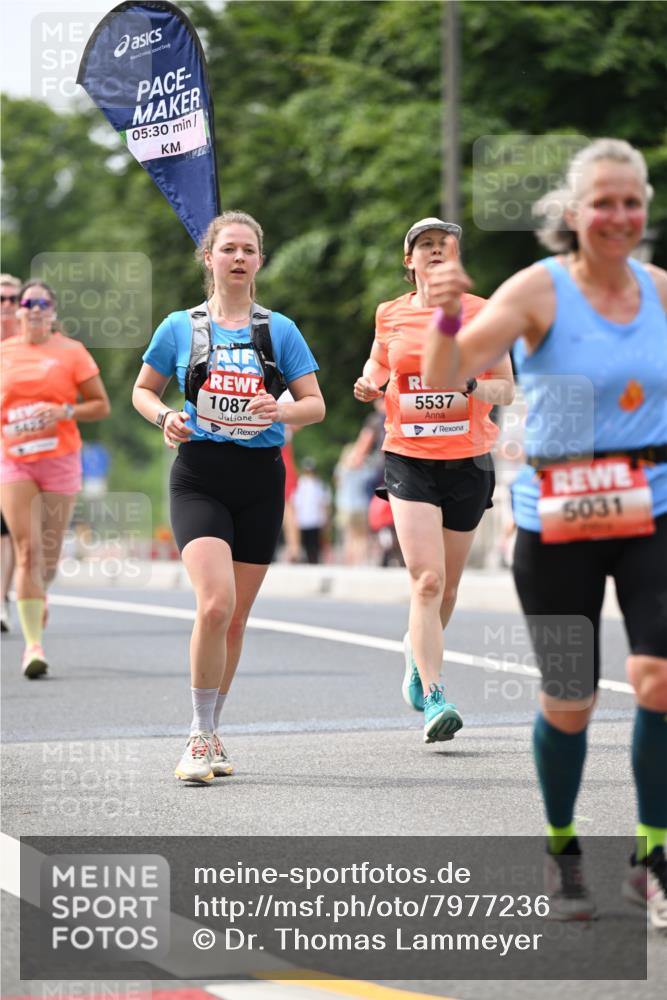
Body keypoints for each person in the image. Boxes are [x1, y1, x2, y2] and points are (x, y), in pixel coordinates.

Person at [422, 138, 667, 928]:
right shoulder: (537, 288)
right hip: (558, 515)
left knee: (658, 679)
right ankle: (561, 849)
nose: (618, 216)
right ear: (572, 212)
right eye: (603, 203)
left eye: (631, 202)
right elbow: (443, 375)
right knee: (570, 700)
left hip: (652, 507)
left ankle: (651, 857)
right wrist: (447, 312)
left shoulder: (660, 290)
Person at [132, 210, 325, 783]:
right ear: (209, 258)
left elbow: (315, 404)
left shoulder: (278, 330)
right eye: (228, 249)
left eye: (248, 250)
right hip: (200, 475)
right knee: (214, 604)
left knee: (236, 620)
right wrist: (165, 417)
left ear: (259, 261)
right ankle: (196, 735)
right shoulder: (180, 327)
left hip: (261, 479)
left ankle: (214, 729)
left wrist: (281, 410)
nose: (238, 258)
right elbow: (143, 390)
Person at [354, 218, 514, 744]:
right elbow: (380, 361)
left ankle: (415, 652)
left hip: (469, 460)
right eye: (426, 245)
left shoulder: (483, 313)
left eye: (446, 245)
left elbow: (505, 389)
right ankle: (435, 695)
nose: (437, 251)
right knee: (426, 580)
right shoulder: (390, 313)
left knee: (447, 588)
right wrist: (369, 381)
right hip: (409, 457)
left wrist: (468, 384)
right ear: (410, 260)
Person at [0, 280, 110, 676]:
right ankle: (33, 647)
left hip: (60, 459)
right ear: (19, 311)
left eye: (42, 303)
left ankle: (39, 594)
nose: (34, 308)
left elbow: (100, 405)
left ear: (53, 312)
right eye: (27, 302)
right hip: (14, 461)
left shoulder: (71, 352)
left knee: (47, 559)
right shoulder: (4, 353)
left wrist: (64, 411)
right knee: (27, 550)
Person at [0, 273, 22, 632]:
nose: (6, 306)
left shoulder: (34, 346)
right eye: (0, 299)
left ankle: (2, 598)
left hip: (21, 450)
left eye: (13, 299)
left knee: (10, 530)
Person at [293, 456, 331, 564]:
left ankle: (314, 561)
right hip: (303, 519)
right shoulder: (299, 484)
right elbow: (296, 503)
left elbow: (325, 503)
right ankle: (307, 560)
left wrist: (326, 519)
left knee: (315, 544)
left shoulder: (321, 484)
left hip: (316, 520)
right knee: (305, 544)